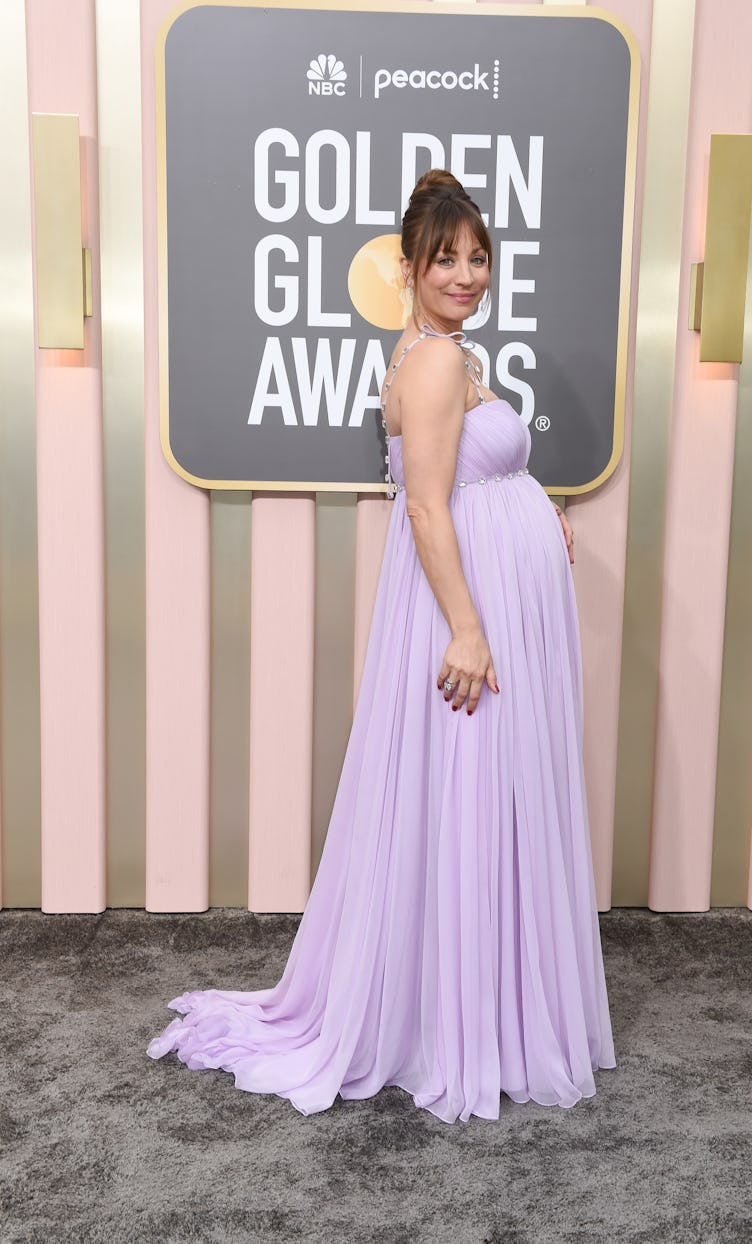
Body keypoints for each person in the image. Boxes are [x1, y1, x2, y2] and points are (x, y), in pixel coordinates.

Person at [147, 170, 616, 1124]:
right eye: (447, 258)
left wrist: (538, 511)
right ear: (409, 266)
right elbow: (432, 506)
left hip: (469, 602)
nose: (467, 273)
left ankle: (457, 1008)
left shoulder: (430, 353)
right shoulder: (437, 363)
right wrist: (472, 627)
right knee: (475, 799)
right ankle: (469, 1024)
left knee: (464, 806)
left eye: (478, 257)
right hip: (465, 620)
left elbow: (460, 484)